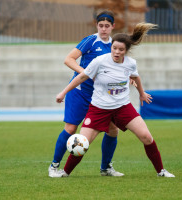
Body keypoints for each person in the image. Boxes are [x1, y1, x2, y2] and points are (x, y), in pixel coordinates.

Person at [52, 22, 175, 178]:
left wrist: (142, 94)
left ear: (126, 51)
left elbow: (136, 77)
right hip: (98, 108)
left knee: (146, 137)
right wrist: (63, 92)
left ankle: (161, 171)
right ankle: (65, 172)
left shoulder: (130, 63)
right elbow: (82, 77)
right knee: (82, 143)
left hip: (123, 107)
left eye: (121, 50)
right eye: (114, 48)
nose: (116, 52)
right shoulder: (100, 61)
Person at [49, 10, 124, 177]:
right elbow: (68, 59)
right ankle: (54, 166)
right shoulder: (91, 40)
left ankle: (106, 168)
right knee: (71, 128)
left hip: (101, 96)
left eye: (107, 26)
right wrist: (86, 73)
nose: (103, 29)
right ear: (96, 26)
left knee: (113, 130)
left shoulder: (114, 45)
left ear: (112, 26)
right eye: (100, 25)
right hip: (80, 92)